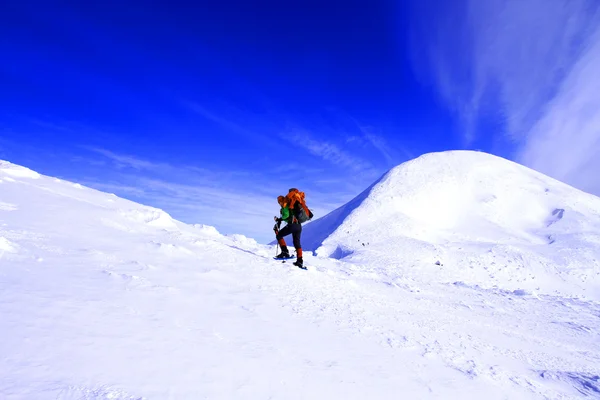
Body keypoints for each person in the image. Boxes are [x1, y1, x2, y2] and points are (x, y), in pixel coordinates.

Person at [274, 189, 304, 268]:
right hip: (299, 226)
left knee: (279, 235)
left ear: (281, 201)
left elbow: (286, 216)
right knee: (297, 243)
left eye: (279, 202)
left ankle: (285, 252)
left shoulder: (285, 205)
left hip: (292, 225)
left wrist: (280, 219)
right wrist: (280, 219)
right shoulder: (293, 205)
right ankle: (300, 261)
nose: (279, 203)